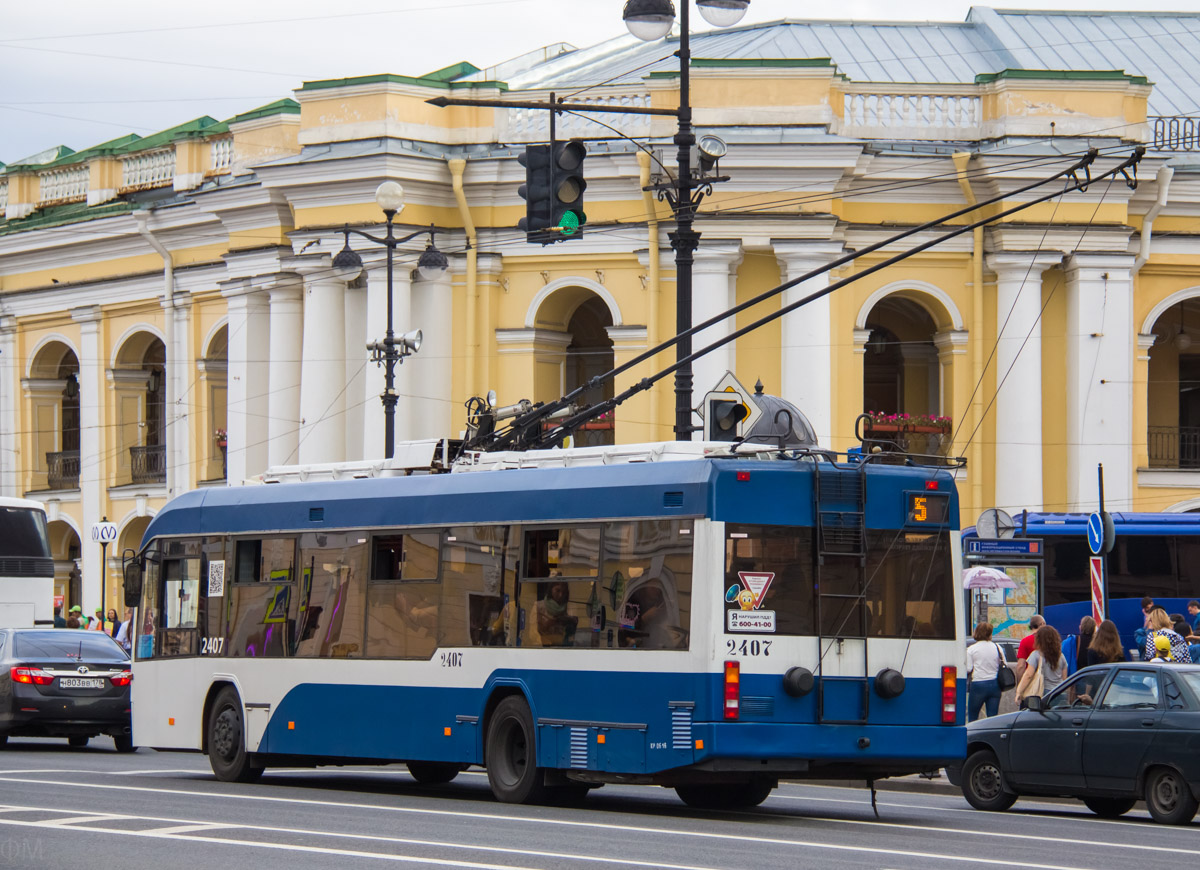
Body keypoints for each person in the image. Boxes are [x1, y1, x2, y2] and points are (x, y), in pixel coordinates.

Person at [1016, 624, 1068, 705]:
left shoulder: (1036, 655)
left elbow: (1028, 675)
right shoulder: (1061, 656)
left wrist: (1019, 691)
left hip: (1044, 693)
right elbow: (1064, 678)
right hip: (1060, 693)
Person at [966, 623, 1004, 721]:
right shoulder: (997, 647)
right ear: (989, 633)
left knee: (973, 716)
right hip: (995, 685)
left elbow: (968, 669)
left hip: (978, 684)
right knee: (992, 718)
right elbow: (1004, 664)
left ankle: (973, 735)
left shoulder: (971, 649)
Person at [535, 581, 578, 647]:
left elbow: (571, 633)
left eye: (564, 592)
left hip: (564, 646)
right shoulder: (538, 606)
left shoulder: (568, 606)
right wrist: (548, 624)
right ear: (551, 589)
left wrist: (569, 621)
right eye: (557, 591)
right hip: (544, 646)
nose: (561, 595)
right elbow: (533, 633)